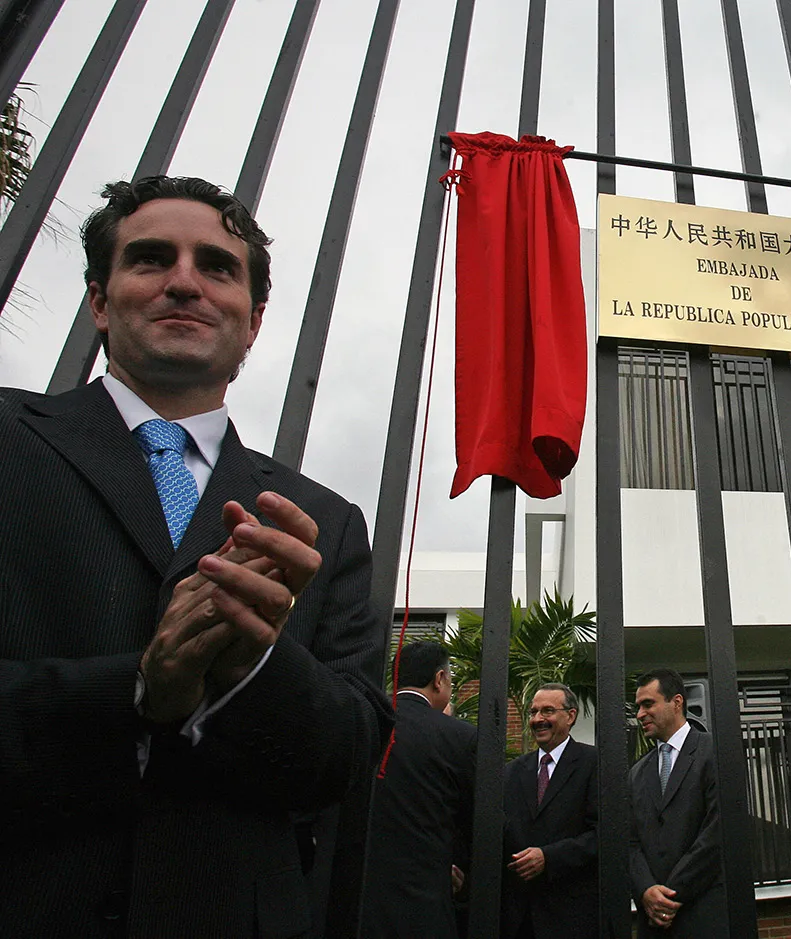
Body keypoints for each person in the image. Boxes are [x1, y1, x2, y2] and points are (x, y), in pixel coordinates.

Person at [0, 176, 393, 937]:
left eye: (217, 266)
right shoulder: (11, 439)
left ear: (253, 321)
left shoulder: (324, 520)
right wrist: (141, 689)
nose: (185, 280)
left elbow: (347, 757)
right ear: (100, 302)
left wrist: (253, 664)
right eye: (151, 259)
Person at [361, 641, 477, 939]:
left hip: (355, 894)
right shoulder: (459, 736)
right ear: (439, 679)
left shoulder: (364, 719)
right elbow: (475, 817)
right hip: (423, 899)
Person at [628, 668, 725, 938]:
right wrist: (646, 890)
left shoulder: (713, 752)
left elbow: (717, 832)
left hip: (702, 915)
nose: (639, 714)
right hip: (653, 922)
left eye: (648, 704)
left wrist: (669, 896)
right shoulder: (637, 773)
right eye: (638, 706)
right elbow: (630, 842)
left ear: (677, 702)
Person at [499, 683, 598, 939]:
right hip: (517, 918)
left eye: (548, 711)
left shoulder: (594, 763)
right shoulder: (511, 772)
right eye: (533, 712)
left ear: (571, 715)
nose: (537, 719)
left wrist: (550, 857)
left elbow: (603, 833)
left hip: (571, 915)